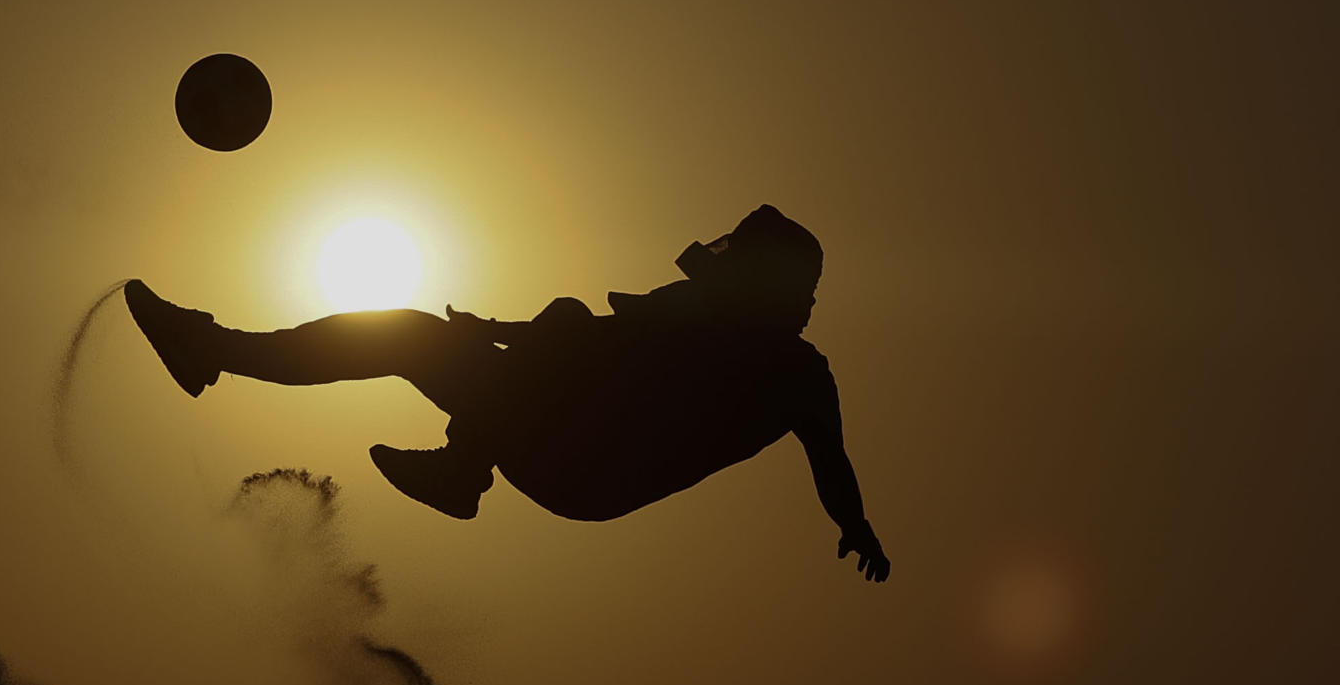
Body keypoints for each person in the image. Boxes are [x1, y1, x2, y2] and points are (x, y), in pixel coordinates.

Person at [125, 204, 890, 582]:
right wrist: (492, 331)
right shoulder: (697, 315)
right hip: (553, 431)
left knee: (533, 322)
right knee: (408, 335)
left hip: (589, 465)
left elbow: (832, 457)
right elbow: (585, 340)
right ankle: (210, 350)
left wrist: (853, 523)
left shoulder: (795, 372)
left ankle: (463, 470)